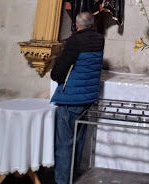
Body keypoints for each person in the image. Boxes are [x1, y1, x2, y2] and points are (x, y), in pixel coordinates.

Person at [51, 12, 104, 184]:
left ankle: (62, 181)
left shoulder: (75, 41)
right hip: (88, 98)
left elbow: (60, 68)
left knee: (64, 144)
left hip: (71, 99)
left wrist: (56, 75)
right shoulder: (99, 39)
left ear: (77, 25)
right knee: (78, 143)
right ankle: (74, 178)